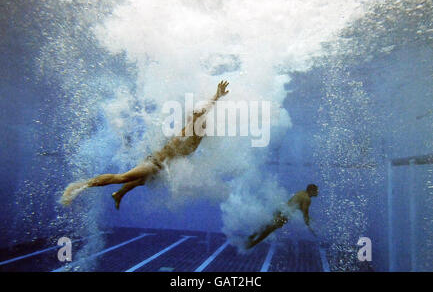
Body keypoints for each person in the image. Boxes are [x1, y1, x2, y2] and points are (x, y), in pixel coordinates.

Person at [61, 80, 230, 209]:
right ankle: (79, 186)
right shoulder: (190, 128)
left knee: (140, 182)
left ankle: (119, 194)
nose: (205, 126)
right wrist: (216, 96)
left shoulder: (197, 135)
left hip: (162, 167)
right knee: (123, 177)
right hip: (154, 163)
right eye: (201, 121)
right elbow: (199, 112)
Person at [245, 184, 319, 249]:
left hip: (281, 209)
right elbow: (305, 214)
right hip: (284, 215)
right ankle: (252, 244)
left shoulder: (302, 192)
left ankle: (251, 236)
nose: (317, 192)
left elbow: (298, 206)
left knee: (267, 225)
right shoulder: (307, 199)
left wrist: (308, 218)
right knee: (268, 231)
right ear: (311, 191)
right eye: (316, 190)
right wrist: (311, 228)